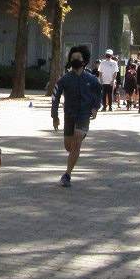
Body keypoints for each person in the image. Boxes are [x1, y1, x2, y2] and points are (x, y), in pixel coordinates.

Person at [51, 45, 102, 188]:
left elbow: (99, 92)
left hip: (84, 115)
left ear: (84, 61)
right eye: (73, 58)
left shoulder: (92, 79)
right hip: (69, 115)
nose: (75, 60)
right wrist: (54, 116)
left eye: (78, 58)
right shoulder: (65, 79)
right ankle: (73, 152)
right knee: (69, 146)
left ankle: (67, 175)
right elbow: (55, 96)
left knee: (77, 140)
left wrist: (95, 108)